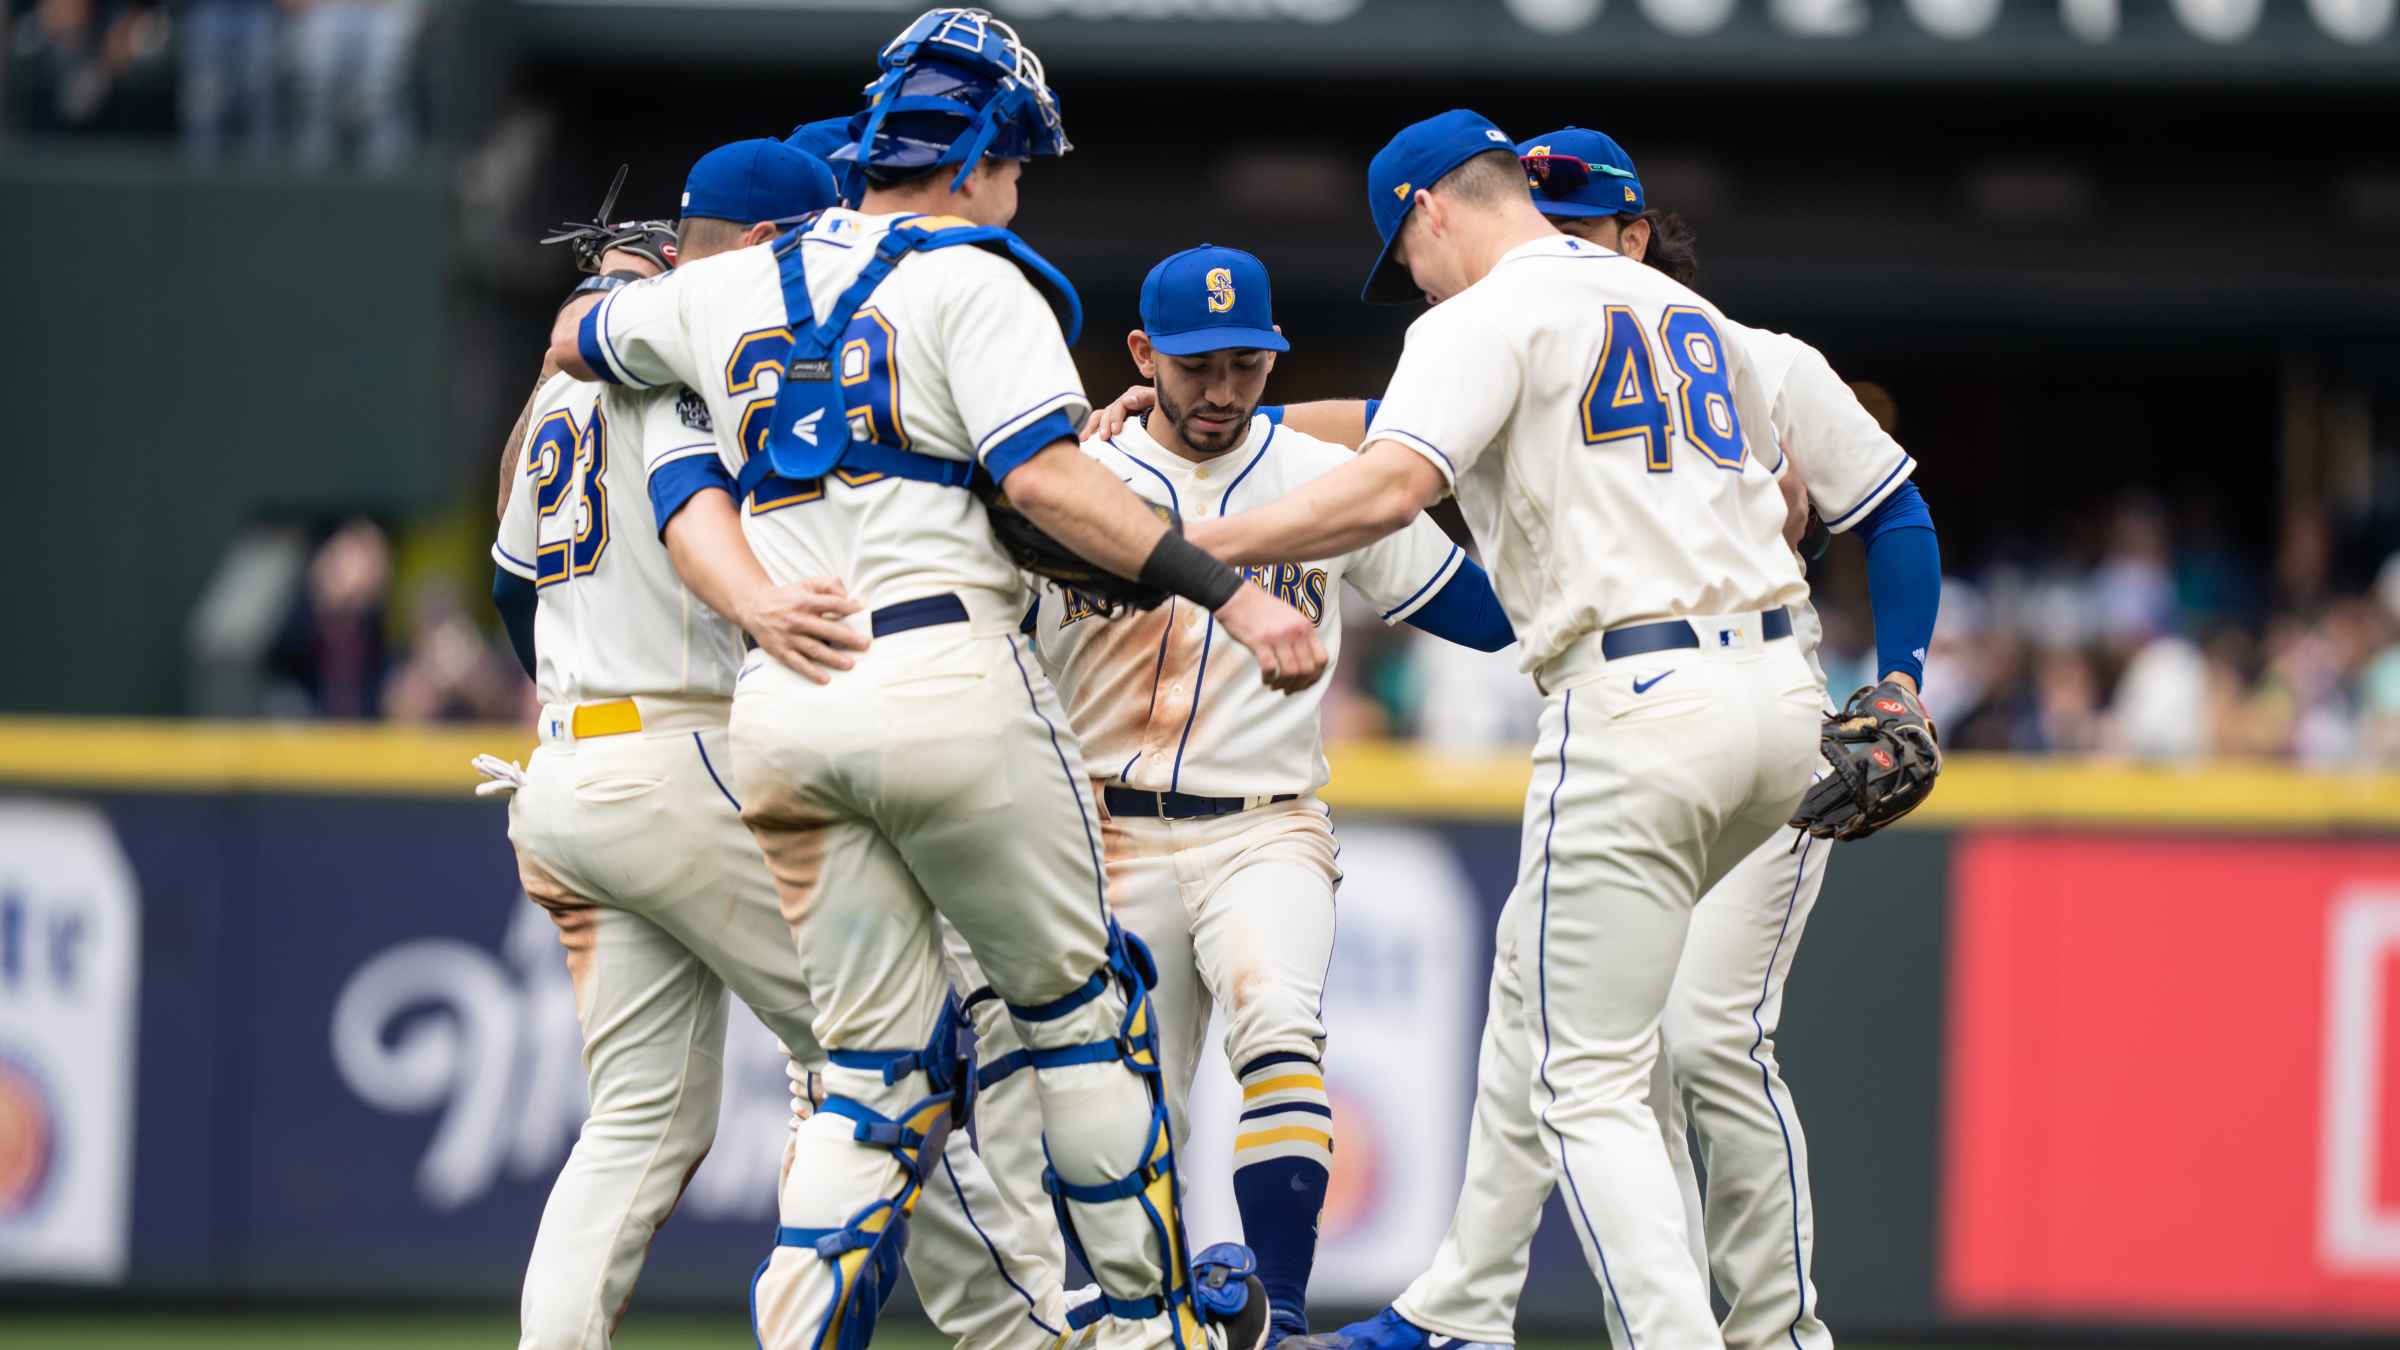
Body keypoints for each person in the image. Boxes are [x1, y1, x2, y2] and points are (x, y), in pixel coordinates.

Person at [543, 10, 1319, 1349]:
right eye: (1017, 161)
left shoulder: (730, 284)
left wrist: (635, 294)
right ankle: (1153, 1331)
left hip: (788, 702)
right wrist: (1227, 586)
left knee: (865, 1076)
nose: (1022, 185)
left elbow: (574, 337)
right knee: (1085, 1014)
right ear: (975, 156)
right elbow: (1039, 479)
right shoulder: (976, 277)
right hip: (949, 669)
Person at [1181, 109, 1825, 1348]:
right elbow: (1788, 502)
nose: (1410, 278)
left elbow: (1385, 488)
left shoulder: (1476, 316)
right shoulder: (1675, 309)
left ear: (1428, 208)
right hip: (1778, 691)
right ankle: (1459, 1312)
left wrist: (1194, 547)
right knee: (1539, 999)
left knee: (1587, 1083)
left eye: (1403, 251)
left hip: (1636, 696)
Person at [1298, 125, 1942, 1350]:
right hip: (1743, 705)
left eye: (1582, 215)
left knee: (1669, 1048)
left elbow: (1890, 508)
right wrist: (1232, 422)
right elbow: (1397, 424)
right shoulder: (1602, 327)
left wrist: (1902, 678)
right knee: (1539, 993)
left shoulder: (1702, 345)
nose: (1558, 235)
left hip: (1686, 703)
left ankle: (1761, 1334)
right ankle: (1460, 1310)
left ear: (1637, 233)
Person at [486, 138, 1066, 1350]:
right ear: (759, 246)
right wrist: (752, 604)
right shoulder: (688, 365)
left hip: (566, 765)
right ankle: (1020, 1331)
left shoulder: (562, 386)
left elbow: (510, 591)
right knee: (896, 1058)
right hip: (676, 756)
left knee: (640, 1128)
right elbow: (691, 515)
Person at [977, 243, 1511, 1350]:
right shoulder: (1079, 479)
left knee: (1280, 1034)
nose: (1221, 390)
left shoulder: (1318, 474)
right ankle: (1148, 1325)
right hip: (1101, 833)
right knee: (1114, 1112)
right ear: (1142, 356)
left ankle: (1283, 1319)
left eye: (1246, 364)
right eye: (1195, 365)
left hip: (1264, 824)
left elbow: (1481, 609)